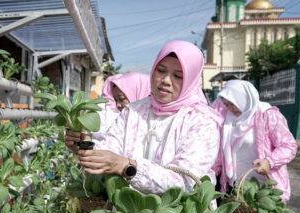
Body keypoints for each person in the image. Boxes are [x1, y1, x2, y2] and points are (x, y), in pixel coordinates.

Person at [66, 40, 221, 194]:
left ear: (191, 81)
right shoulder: (134, 110)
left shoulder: (201, 121)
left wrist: (127, 166)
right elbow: (111, 148)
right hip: (130, 211)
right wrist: (83, 146)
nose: (166, 80)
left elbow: (186, 181)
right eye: (161, 71)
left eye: (178, 76)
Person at [212, 80, 297, 203]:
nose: (230, 108)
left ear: (243, 98)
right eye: (226, 104)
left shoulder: (267, 115)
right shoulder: (227, 119)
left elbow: (289, 146)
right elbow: (221, 151)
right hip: (235, 185)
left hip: (264, 187)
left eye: (232, 103)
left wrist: (270, 161)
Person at [93, 72, 151, 142]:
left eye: (121, 99)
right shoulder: (121, 122)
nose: (117, 105)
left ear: (138, 93)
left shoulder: (154, 124)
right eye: (115, 100)